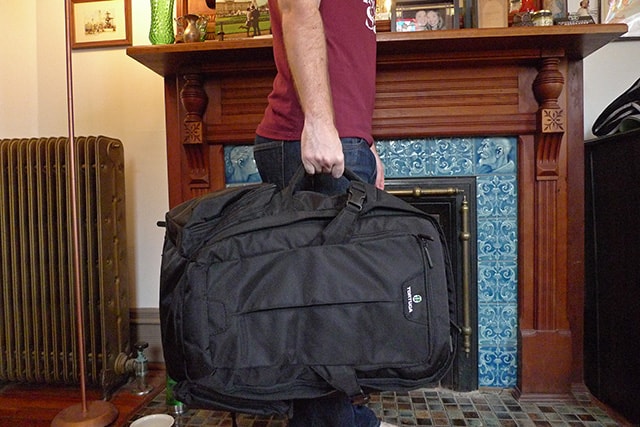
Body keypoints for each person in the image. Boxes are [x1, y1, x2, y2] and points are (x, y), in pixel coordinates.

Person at [254, 0, 390, 426]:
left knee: (340, 304)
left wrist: (363, 139)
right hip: (311, 135)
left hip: (342, 138)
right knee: (324, 313)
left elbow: (345, 50)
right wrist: (318, 122)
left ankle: (352, 417)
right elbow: (299, 11)